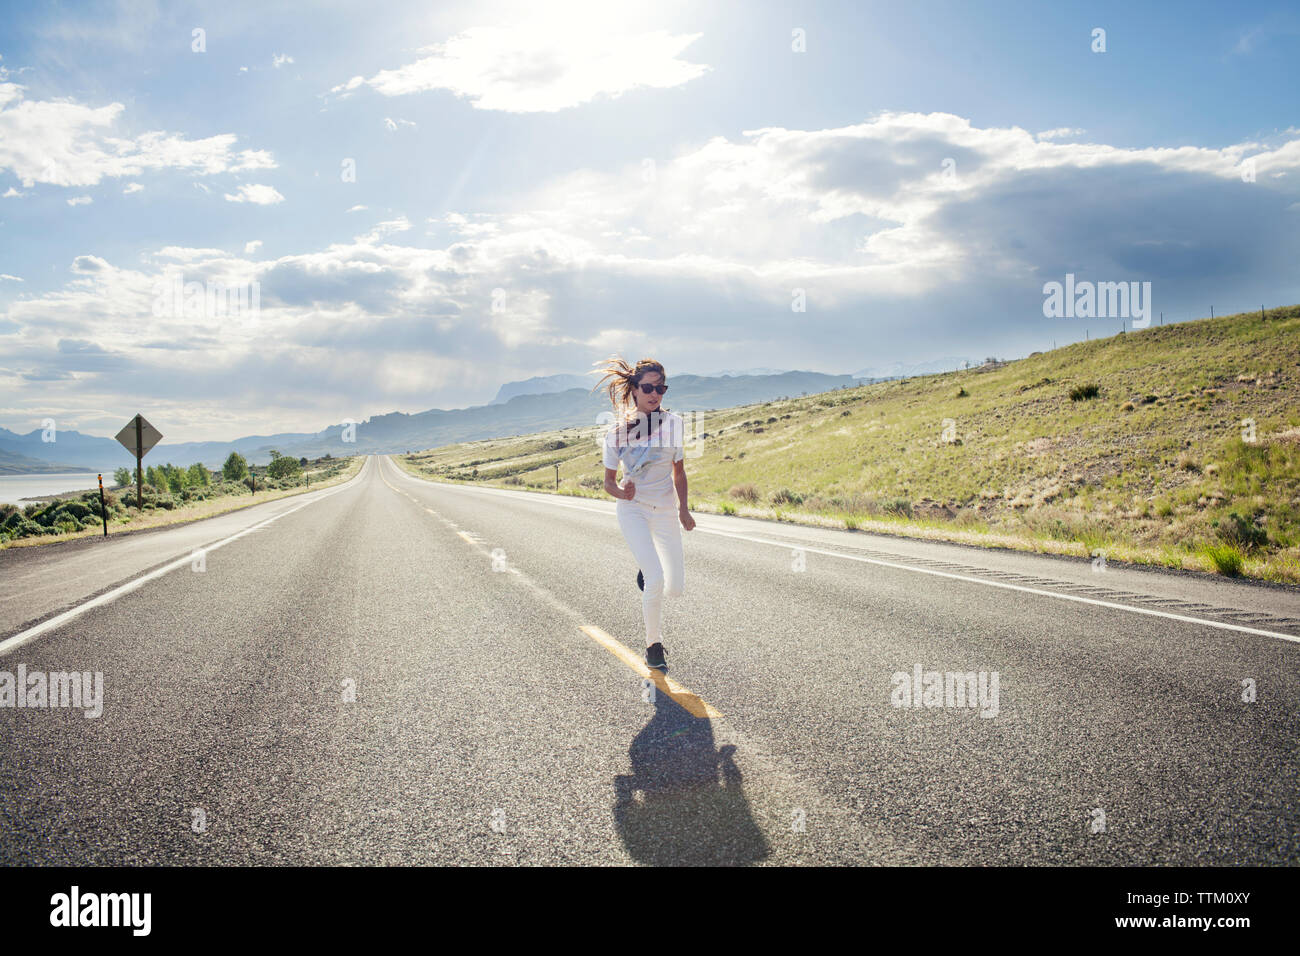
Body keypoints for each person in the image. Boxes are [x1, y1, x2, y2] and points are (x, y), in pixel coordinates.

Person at [590, 356, 695, 670]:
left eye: (661, 388)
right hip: (632, 510)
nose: (655, 394)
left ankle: (647, 571)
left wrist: (684, 509)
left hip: (664, 510)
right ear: (634, 390)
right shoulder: (616, 434)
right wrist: (623, 493)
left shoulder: (674, 423)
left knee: (674, 588)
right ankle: (653, 646)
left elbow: (679, 472)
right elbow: (608, 483)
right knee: (656, 580)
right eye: (648, 388)